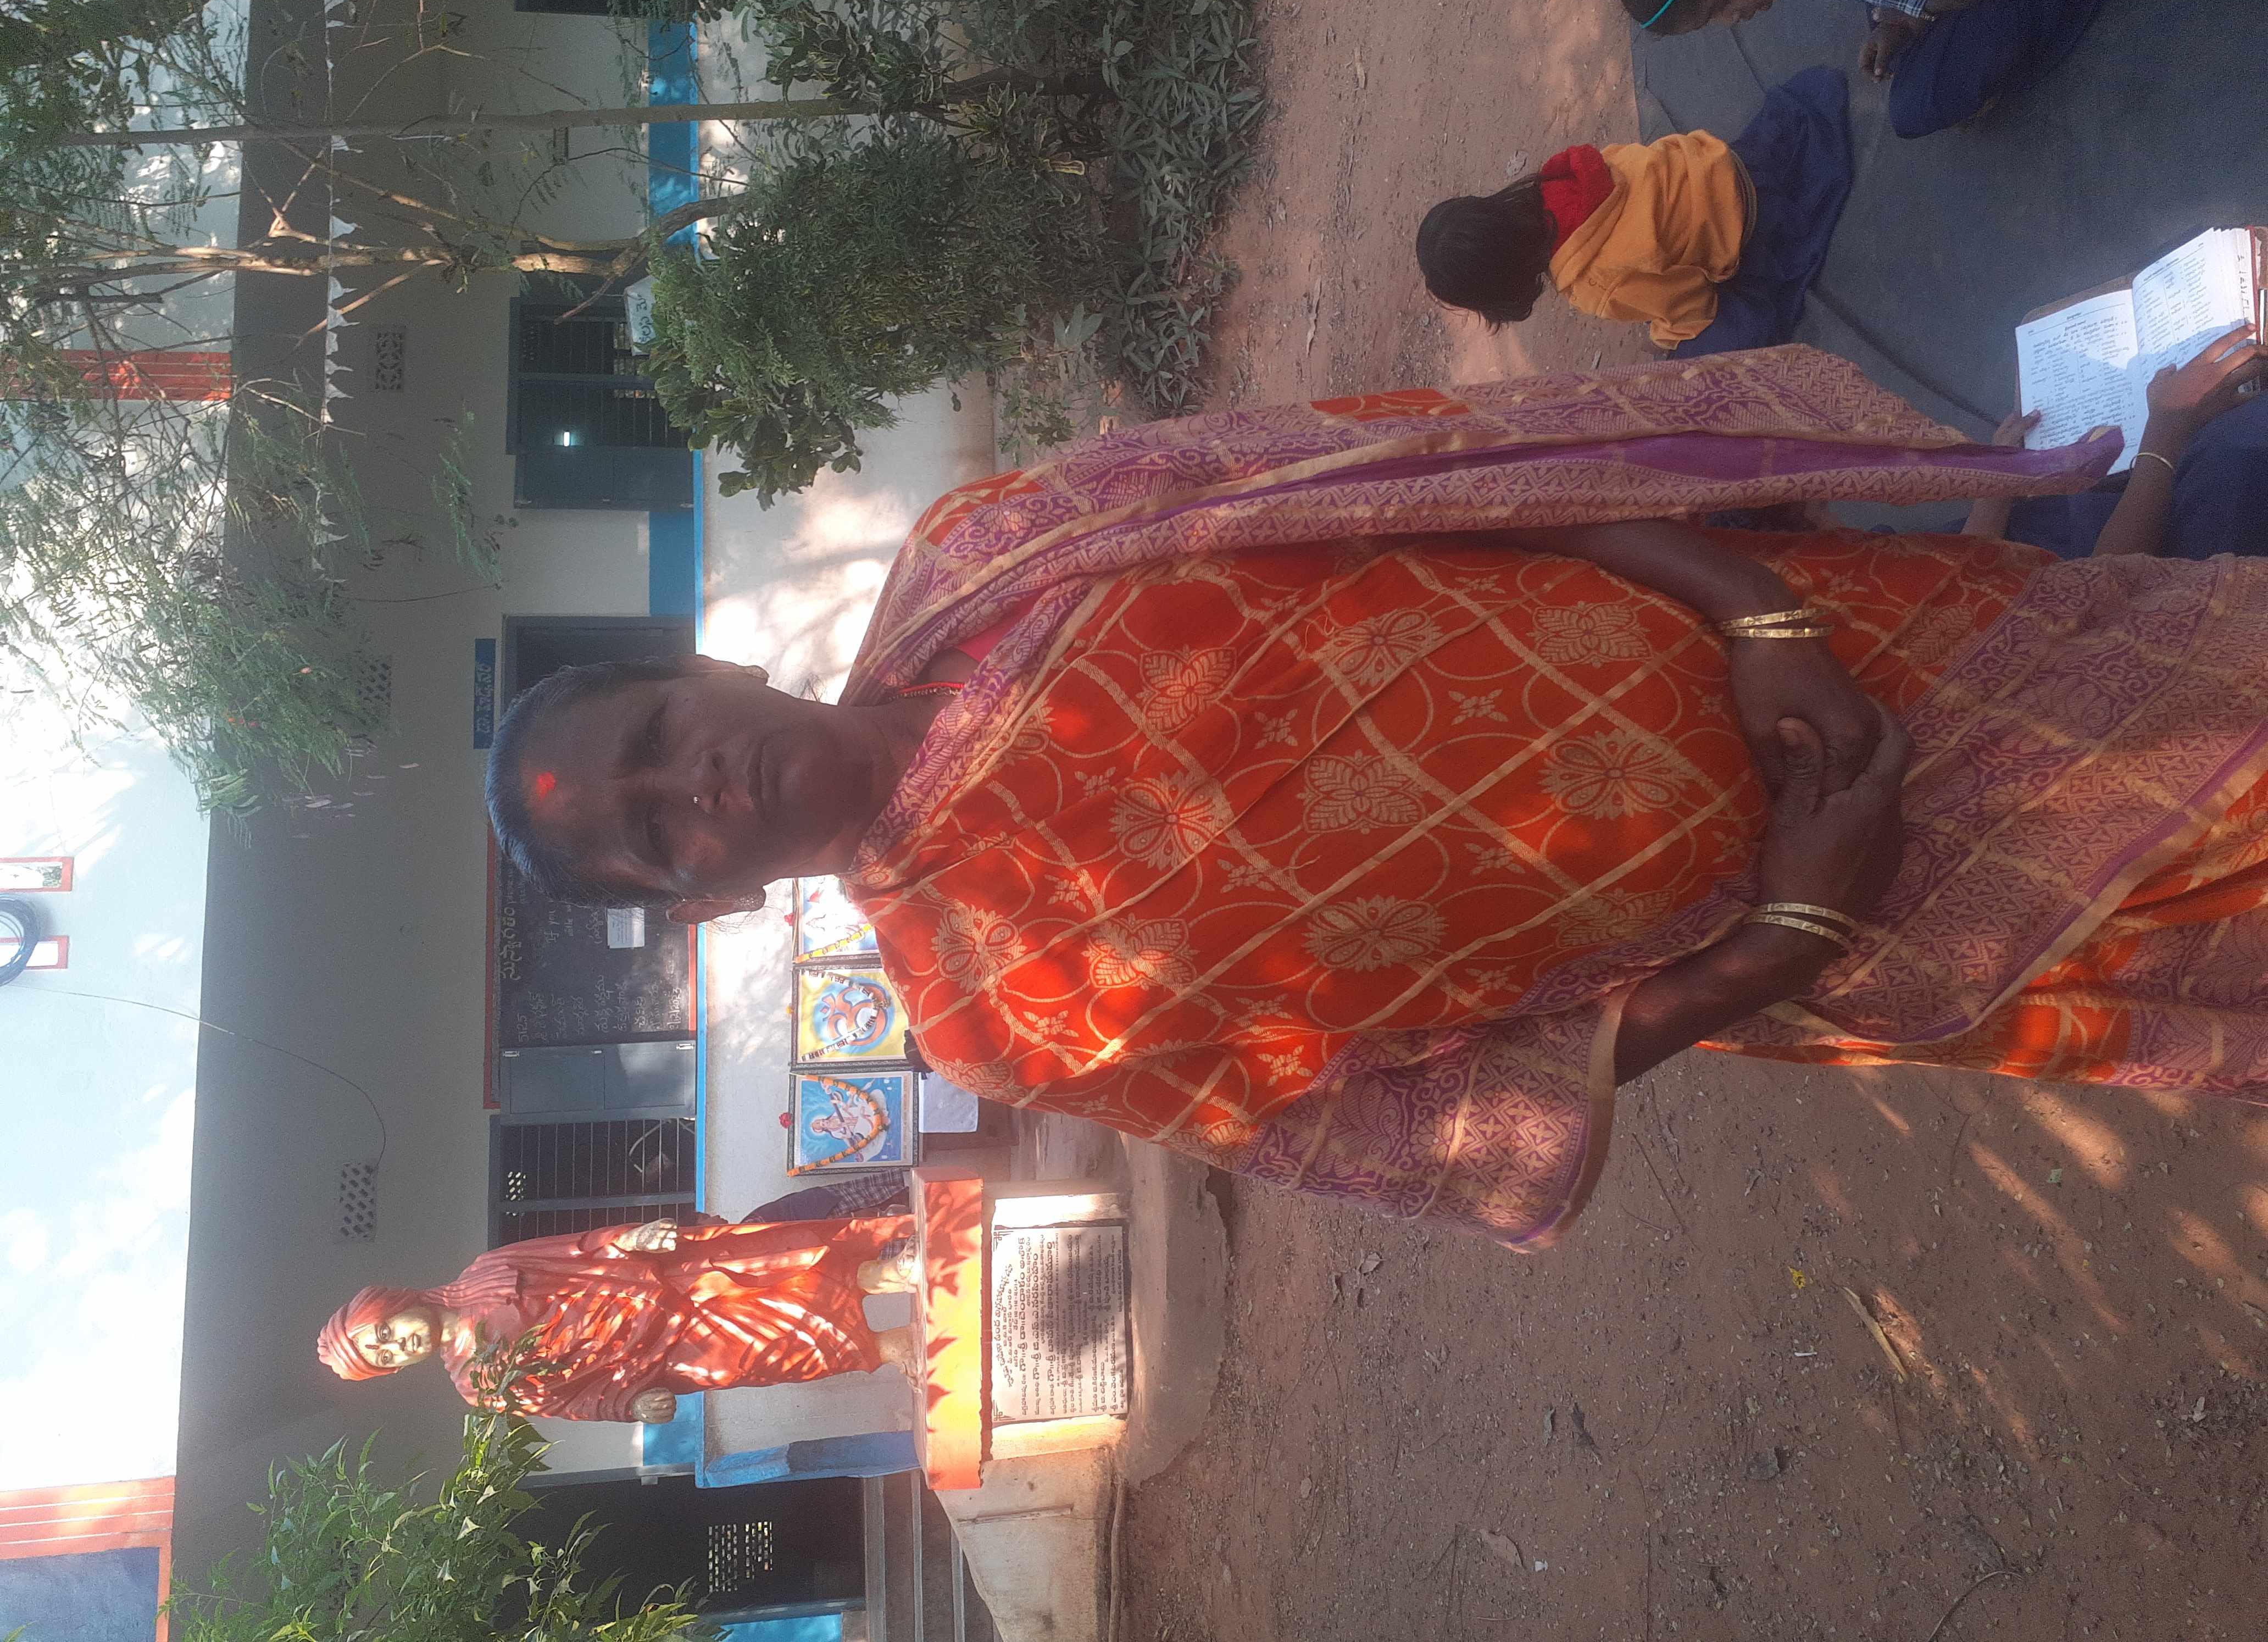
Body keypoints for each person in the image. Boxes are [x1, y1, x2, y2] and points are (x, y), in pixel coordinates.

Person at [486, 342, 2268, 1252]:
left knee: (2213, 687)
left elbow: (1450, 480)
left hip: (1866, 651)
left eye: (657, 730)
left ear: (702, 664)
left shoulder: (1005, 545)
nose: (693, 780)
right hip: (1872, 920)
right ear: (710, 901)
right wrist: (1794, 926)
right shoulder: (995, 1016)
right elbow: (1418, 1120)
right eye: (656, 828)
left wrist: (1759, 614)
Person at [1606, 0, 2267, 141]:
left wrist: (1914, 15)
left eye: (1722, 1)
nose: (1736, 19)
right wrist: (1895, 14)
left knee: (1917, 103)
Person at [1416, 67, 1852, 356]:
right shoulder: (1563, 176)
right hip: (1729, 164)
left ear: (1501, 291)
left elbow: (1692, 304)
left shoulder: (1592, 285)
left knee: (1699, 364)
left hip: (1755, 226)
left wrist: (1664, 342)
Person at [316, 1213, 918, 1421]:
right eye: (384, 1357)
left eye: (384, 1332)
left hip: (661, 1282)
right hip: (662, 1355)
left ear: (394, 1303)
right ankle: (892, 1347)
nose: (397, 1345)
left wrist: (627, 1240)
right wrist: (626, 1405)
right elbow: (569, 1402)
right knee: (774, 1347)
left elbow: (574, 1249)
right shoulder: (479, 1386)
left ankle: (890, 1273)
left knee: (769, 1270)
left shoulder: (487, 1270)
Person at [1960, 323, 2268, 557]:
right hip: (2154, 552)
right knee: (2241, 441)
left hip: (2038, 524)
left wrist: (1994, 494)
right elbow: (2103, 587)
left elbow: (1967, 569)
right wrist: (2167, 427)